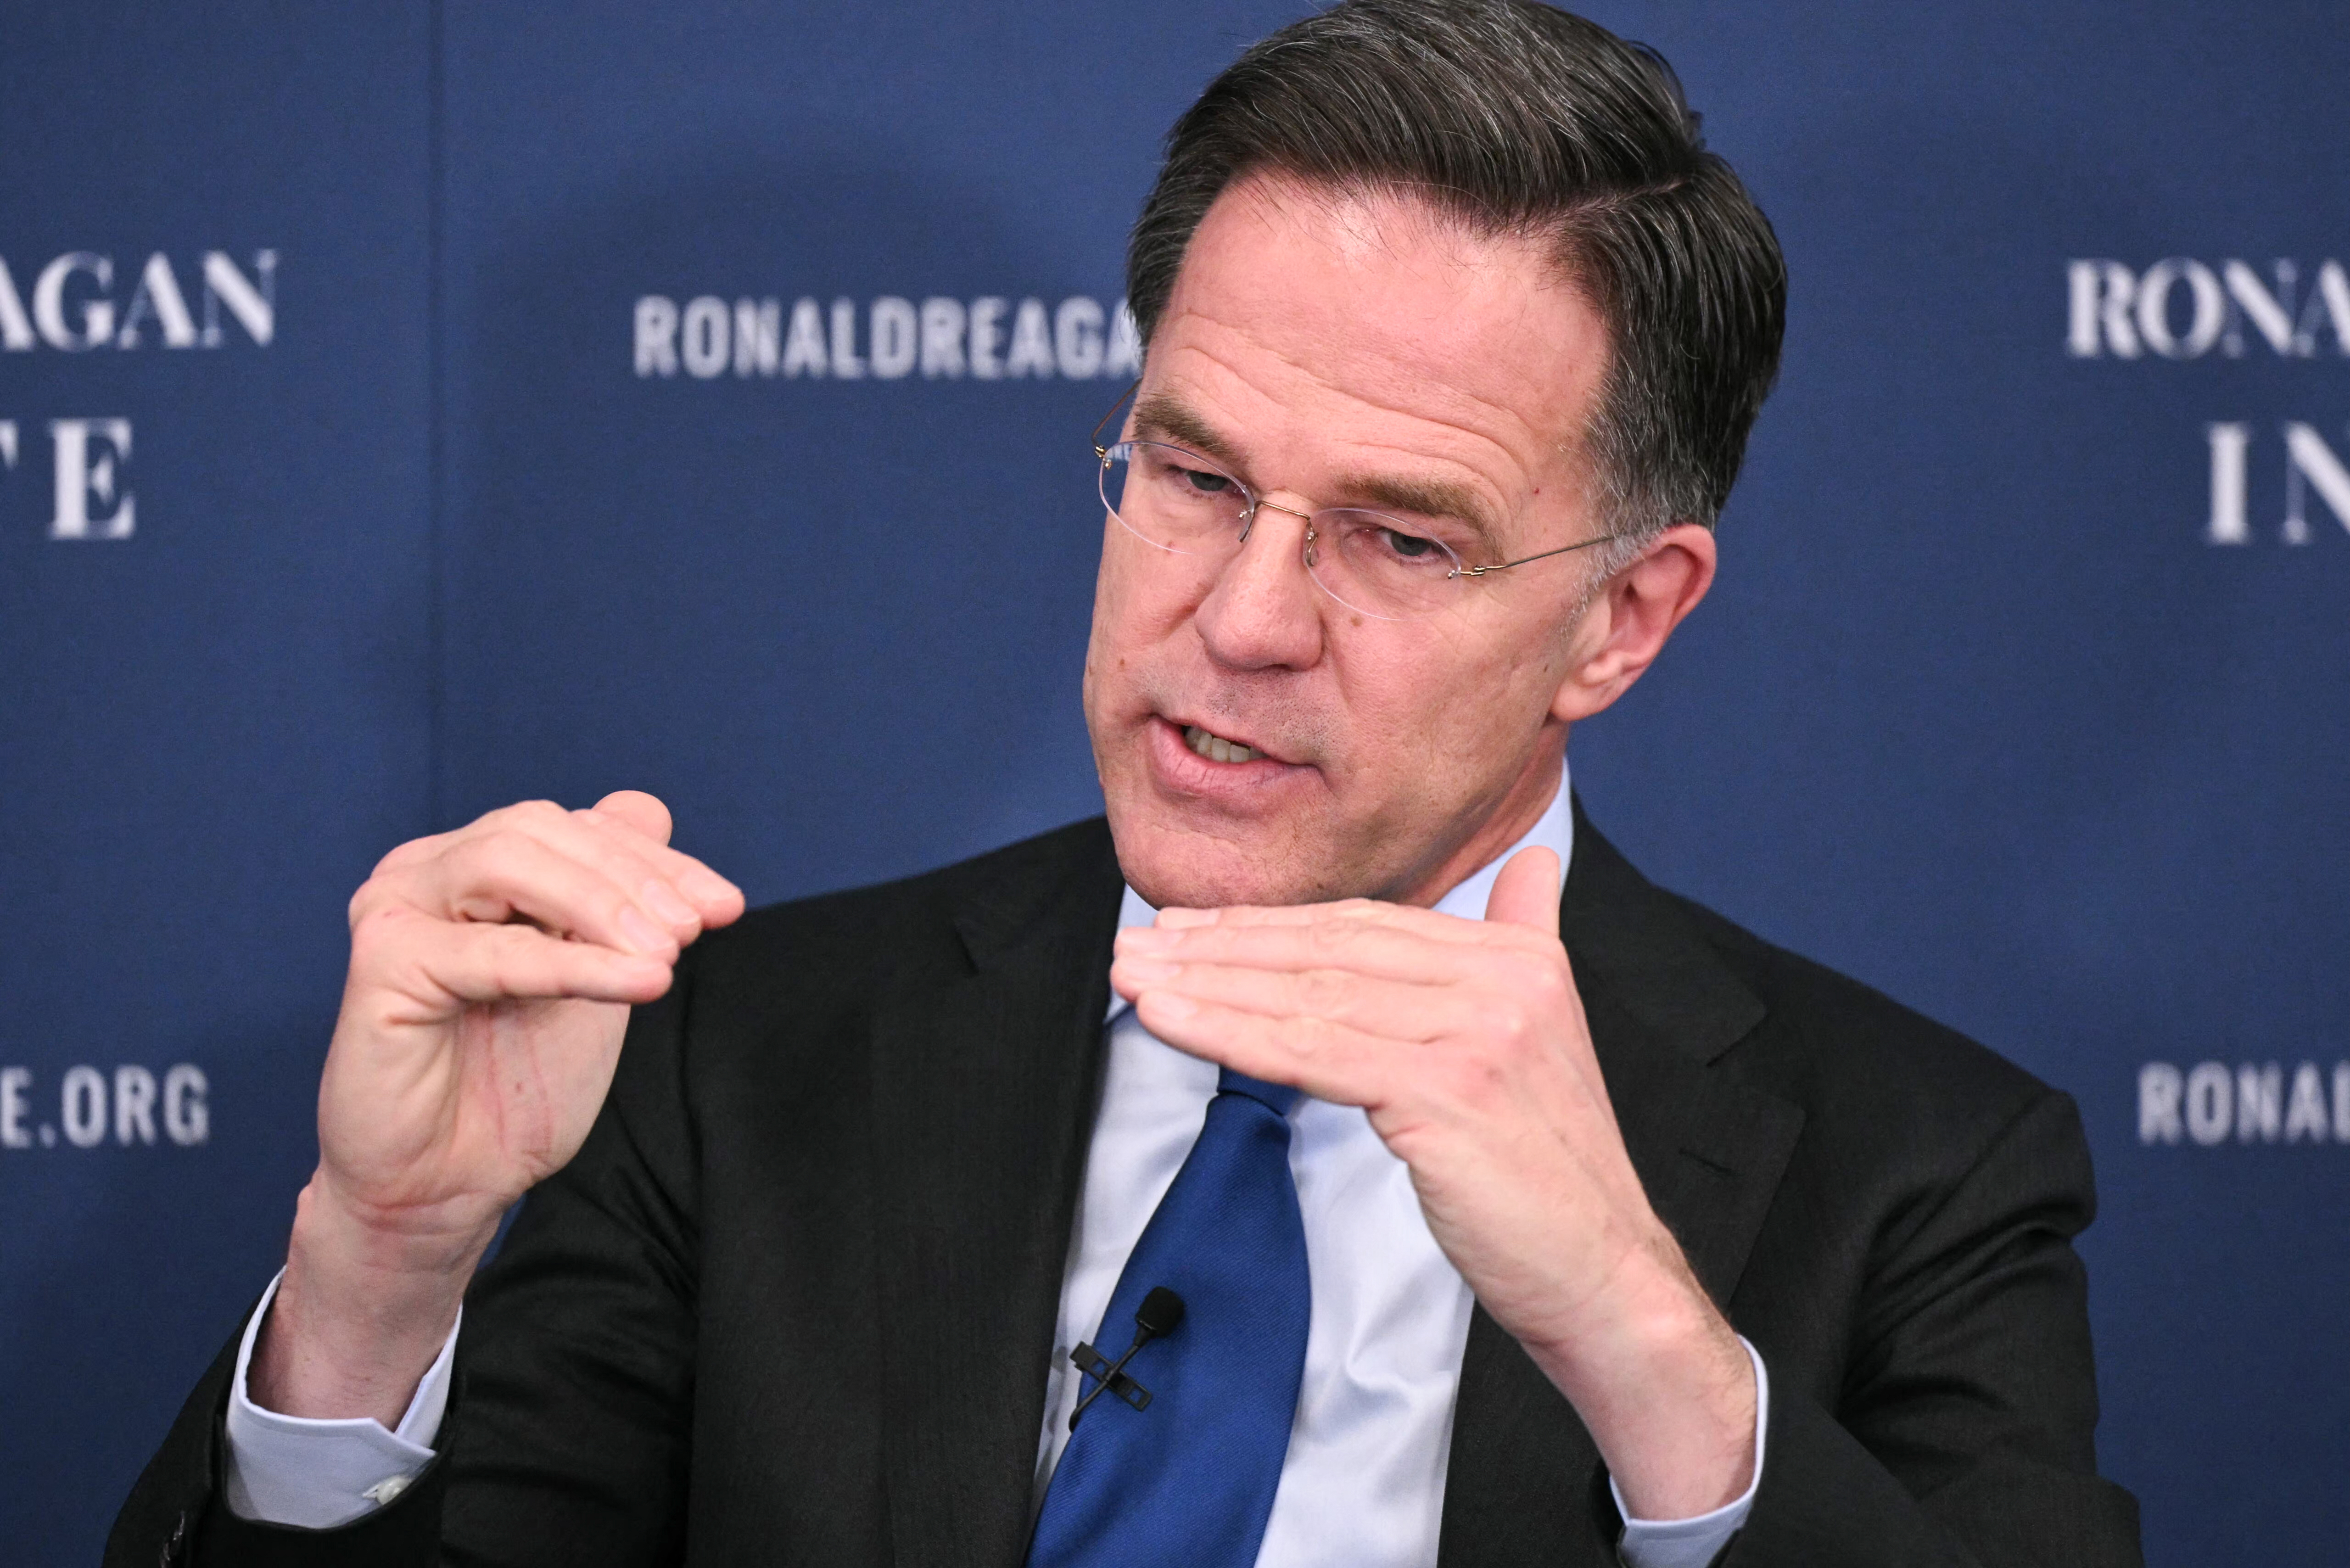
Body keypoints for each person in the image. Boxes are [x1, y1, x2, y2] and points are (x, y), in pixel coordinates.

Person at [109, 3, 2143, 1564]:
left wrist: (1641, 1338)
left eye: (1399, 538)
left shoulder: (1916, 1172)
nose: (1241, 619)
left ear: (1622, 619)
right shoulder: (729, 1062)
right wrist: (382, 1264)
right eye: (1192, 476)